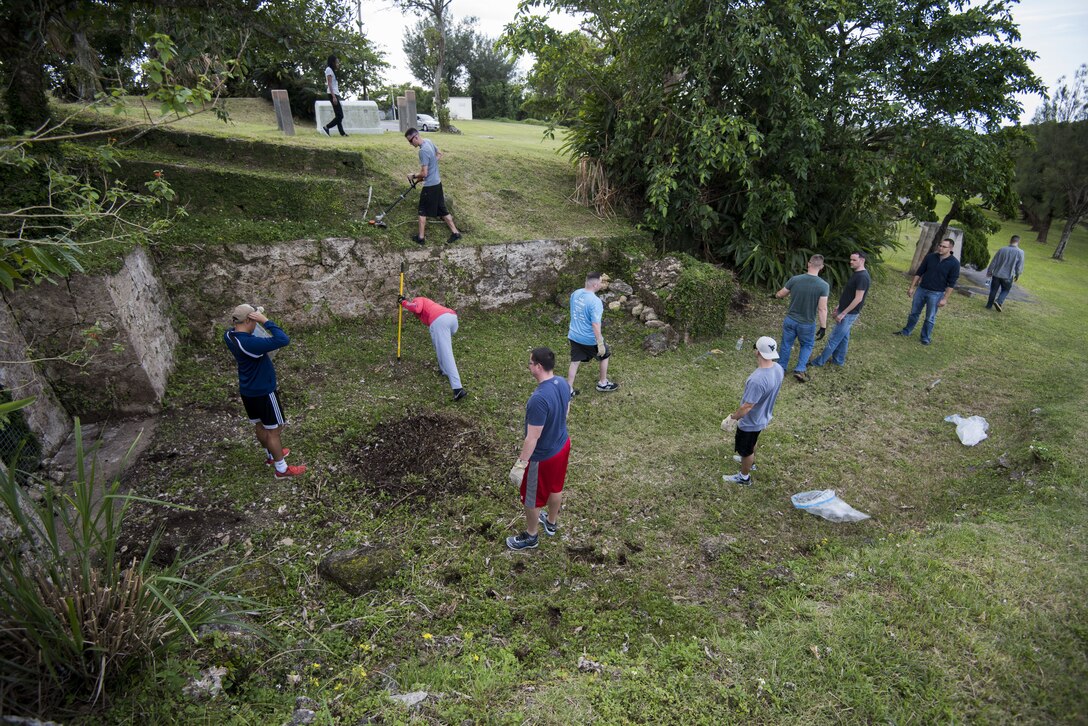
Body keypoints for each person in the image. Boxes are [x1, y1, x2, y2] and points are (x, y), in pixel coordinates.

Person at [223, 304, 306, 478]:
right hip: (264, 391)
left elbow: (239, 331)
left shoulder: (230, 336)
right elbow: (283, 339)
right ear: (248, 320)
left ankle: (270, 455)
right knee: (275, 430)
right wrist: (266, 321)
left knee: (260, 424)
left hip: (248, 390)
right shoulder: (251, 343)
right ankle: (281, 469)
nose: (256, 324)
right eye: (254, 320)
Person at [506, 347, 572, 551]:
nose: (529, 366)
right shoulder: (561, 382)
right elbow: (566, 409)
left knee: (531, 498)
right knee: (556, 487)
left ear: (538, 367)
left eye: (530, 363)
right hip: (562, 445)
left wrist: (521, 464)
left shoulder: (538, 400)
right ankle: (551, 523)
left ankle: (531, 535)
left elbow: (532, 438)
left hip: (543, 457)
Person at [721, 336, 785, 486]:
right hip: (763, 417)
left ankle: (744, 477)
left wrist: (732, 418)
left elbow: (747, 407)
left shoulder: (757, 380)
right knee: (753, 441)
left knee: (746, 449)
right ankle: (750, 462)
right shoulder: (778, 368)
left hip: (750, 422)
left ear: (757, 352)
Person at [398, 293, 467, 401]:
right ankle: (444, 370)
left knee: (446, 353)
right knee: (438, 345)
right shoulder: (429, 308)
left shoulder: (418, 299)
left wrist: (404, 302)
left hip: (441, 321)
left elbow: (416, 308)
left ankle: (458, 389)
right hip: (452, 318)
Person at [773, 255, 829, 382]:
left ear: (808, 264)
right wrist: (823, 327)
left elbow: (781, 293)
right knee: (807, 345)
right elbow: (822, 309)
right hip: (807, 323)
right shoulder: (823, 286)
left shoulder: (795, 279)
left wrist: (775, 296)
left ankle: (781, 368)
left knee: (786, 344)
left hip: (790, 320)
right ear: (821, 267)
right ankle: (800, 369)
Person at [894, 238, 960, 345]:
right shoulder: (930, 257)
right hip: (921, 289)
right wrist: (911, 287)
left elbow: (951, 283)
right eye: (940, 245)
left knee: (930, 317)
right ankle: (907, 331)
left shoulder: (954, 263)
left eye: (944, 247)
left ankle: (925, 337)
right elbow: (919, 272)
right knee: (914, 313)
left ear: (951, 248)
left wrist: (945, 299)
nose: (941, 248)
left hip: (937, 293)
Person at [811, 251, 871, 367]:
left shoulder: (863, 277)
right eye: (850, 259)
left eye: (854, 260)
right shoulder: (857, 274)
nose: (851, 262)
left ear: (862, 260)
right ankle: (838, 361)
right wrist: (839, 306)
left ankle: (819, 362)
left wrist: (843, 313)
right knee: (843, 337)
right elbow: (849, 294)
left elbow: (858, 299)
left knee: (834, 338)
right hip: (845, 310)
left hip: (849, 313)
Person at [405, 127, 461, 246]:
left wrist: (413, 176)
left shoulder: (422, 151)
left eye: (410, 141)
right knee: (442, 209)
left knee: (422, 211)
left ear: (416, 137)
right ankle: (456, 233)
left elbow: (424, 173)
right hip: (437, 183)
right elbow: (439, 154)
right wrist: (432, 166)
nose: (410, 144)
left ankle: (421, 238)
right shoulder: (429, 141)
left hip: (430, 186)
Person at [566, 272, 618, 395]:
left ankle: (568, 389)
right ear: (595, 285)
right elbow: (595, 324)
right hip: (589, 339)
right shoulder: (595, 302)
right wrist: (600, 343)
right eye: (600, 282)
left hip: (574, 335)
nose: (601, 284)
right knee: (605, 355)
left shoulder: (576, 293)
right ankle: (603, 383)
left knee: (574, 362)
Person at [986, 235, 1025, 312]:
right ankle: (999, 301)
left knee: (993, 290)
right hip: (1008, 276)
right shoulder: (1020, 252)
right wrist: (1017, 274)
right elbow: (1019, 266)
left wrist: (990, 271)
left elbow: (994, 261)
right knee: (1005, 290)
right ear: (1018, 242)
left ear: (1010, 240)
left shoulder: (1002, 249)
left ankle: (989, 305)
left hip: (997, 274)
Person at [321, 55, 346, 137]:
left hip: (335, 94)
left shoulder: (332, 70)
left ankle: (342, 133)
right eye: (337, 62)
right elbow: (329, 84)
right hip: (333, 94)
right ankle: (326, 127)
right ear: (332, 62)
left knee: (338, 115)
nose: (338, 64)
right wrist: (334, 97)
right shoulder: (328, 70)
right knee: (340, 115)